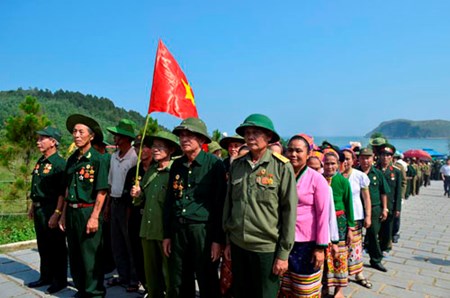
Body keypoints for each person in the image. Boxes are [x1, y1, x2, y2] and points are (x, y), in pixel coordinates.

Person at [223, 114, 297, 298]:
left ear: (269, 137)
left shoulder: (281, 167)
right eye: (247, 133)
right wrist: (227, 241)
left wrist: (283, 254)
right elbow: (229, 204)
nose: (250, 137)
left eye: (256, 133)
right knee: (241, 293)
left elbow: (289, 212)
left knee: (265, 294)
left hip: (266, 248)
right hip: (238, 245)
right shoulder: (238, 165)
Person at [163, 117, 226, 297]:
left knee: (207, 279)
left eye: (189, 135)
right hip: (178, 230)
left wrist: (217, 240)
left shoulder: (214, 165)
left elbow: (219, 205)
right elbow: (170, 201)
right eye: (182, 135)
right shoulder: (177, 165)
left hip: (203, 231)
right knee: (179, 279)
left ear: (201, 139)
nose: (184, 139)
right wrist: (167, 234)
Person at [60, 114, 109, 297]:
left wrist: (95, 216)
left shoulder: (98, 159)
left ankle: (94, 292)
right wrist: (63, 214)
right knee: (75, 255)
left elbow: (102, 191)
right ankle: (81, 289)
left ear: (91, 136)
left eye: (81, 132)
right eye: (74, 132)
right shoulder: (73, 159)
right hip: (72, 212)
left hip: (88, 211)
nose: (77, 135)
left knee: (90, 256)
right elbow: (67, 189)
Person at [130, 131, 180, 297]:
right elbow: (140, 201)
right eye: (154, 146)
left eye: (160, 146)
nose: (155, 149)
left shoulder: (176, 172)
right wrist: (137, 195)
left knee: (170, 277)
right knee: (151, 277)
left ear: (171, 150)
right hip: (147, 230)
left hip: (165, 233)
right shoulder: (151, 171)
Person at [279, 134, 330, 297]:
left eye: (298, 151)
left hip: (307, 244)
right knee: (284, 288)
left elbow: (323, 215)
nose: (293, 154)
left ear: (308, 154)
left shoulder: (317, 180)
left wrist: (320, 247)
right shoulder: (281, 175)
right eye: (290, 150)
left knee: (304, 291)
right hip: (282, 240)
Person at [27, 127, 68, 294]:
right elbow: (37, 185)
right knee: (43, 245)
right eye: (38, 138)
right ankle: (46, 276)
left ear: (53, 142)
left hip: (51, 209)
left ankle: (59, 281)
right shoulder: (41, 161)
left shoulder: (59, 164)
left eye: (42, 139)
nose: (38, 142)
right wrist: (32, 206)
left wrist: (57, 214)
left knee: (56, 247)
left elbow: (62, 192)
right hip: (39, 209)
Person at [104, 119, 139, 291]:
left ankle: (134, 278)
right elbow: (110, 183)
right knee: (116, 242)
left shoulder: (134, 158)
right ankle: (123, 275)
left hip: (128, 206)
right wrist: (108, 206)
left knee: (129, 242)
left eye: (117, 135)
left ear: (125, 138)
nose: (114, 138)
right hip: (115, 202)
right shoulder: (113, 157)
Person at [322, 152, 354, 298]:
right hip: (323, 222)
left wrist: (350, 228)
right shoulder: (319, 179)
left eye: (333, 163)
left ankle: (338, 289)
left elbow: (349, 205)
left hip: (340, 222)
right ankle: (324, 286)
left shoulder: (343, 181)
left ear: (338, 164)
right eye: (327, 163)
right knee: (323, 254)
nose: (330, 166)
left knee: (338, 256)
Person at [341, 149, 372, 289]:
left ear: (354, 160)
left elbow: (366, 198)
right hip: (339, 217)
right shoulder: (335, 176)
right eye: (343, 159)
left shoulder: (359, 176)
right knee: (342, 246)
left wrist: (368, 215)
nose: (346, 162)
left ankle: (358, 273)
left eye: (348, 158)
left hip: (357, 216)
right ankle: (341, 274)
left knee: (356, 246)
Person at [123, 135, 150, 292]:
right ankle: (146, 286)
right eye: (137, 147)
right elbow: (126, 196)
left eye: (143, 147)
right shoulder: (133, 172)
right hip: (135, 217)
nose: (140, 150)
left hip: (151, 218)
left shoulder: (157, 170)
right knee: (138, 254)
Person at [357, 148, 389, 272]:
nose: (365, 160)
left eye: (368, 157)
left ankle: (376, 259)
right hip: (358, 208)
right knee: (355, 235)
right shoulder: (354, 172)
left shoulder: (378, 174)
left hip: (375, 208)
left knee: (373, 234)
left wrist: (385, 208)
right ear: (359, 159)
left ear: (373, 158)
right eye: (363, 157)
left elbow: (383, 192)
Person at [377, 144, 402, 255]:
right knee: (376, 228)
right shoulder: (374, 170)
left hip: (390, 205)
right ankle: (373, 246)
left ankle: (385, 248)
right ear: (379, 156)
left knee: (388, 228)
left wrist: (398, 208)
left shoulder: (396, 172)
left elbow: (398, 191)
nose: (385, 158)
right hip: (377, 204)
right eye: (383, 155)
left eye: (388, 155)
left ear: (391, 157)